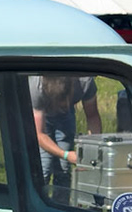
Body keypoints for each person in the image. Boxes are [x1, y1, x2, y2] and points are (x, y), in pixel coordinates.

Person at [29, 73, 101, 201]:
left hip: (66, 118)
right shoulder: (36, 87)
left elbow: (92, 116)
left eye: (63, 103)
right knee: (43, 166)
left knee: (63, 168)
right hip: (40, 114)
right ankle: (36, 205)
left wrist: (92, 151)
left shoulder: (84, 81)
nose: (60, 107)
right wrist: (66, 155)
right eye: (59, 104)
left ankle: (61, 207)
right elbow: (39, 134)